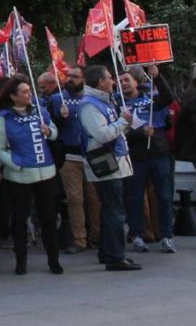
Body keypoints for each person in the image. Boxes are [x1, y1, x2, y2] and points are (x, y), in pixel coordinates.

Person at [0, 78, 63, 275]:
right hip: (19, 177)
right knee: (20, 219)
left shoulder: (40, 111)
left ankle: (53, 260)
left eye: (29, 91)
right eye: (23, 92)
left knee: (48, 218)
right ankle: (21, 261)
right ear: (12, 96)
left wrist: (49, 131)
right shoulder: (3, 118)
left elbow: (55, 132)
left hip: (46, 172)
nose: (29, 94)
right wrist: (15, 163)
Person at [78, 65, 140, 271]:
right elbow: (102, 134)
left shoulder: (102, 101)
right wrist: (123, 121)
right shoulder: (89, 105)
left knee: (110, 210)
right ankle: (116, 256)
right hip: (106, 164)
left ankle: (108, 252)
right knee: (115, 211)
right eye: (109, 78)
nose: (113, 82)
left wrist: (124, 122)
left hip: (115, 161)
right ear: (99, 82)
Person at [122, 66, 177, 254]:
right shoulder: (118, 104)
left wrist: (157, 76)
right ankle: (136, 235)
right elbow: (119, 133)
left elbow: (169, 98)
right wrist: (139, 133)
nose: (123, 84)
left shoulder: (150, 98)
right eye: (120, 81)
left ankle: (167, 236)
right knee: (135, 197)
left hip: (159, 153)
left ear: (136, 82)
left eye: (127, 80)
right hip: (136, 156)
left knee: (164, 196)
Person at [48, 65, 98, 253]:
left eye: (75, 76)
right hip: (70, 156)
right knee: (74, 199)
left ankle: (97, 236)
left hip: (92, 154)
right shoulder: (56, 99)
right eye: (68, 76)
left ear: (84, 79)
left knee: (95, 198)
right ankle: (79, 240)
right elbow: (50, 126)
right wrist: (59, 117)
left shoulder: (92, 98)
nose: (70, 79)